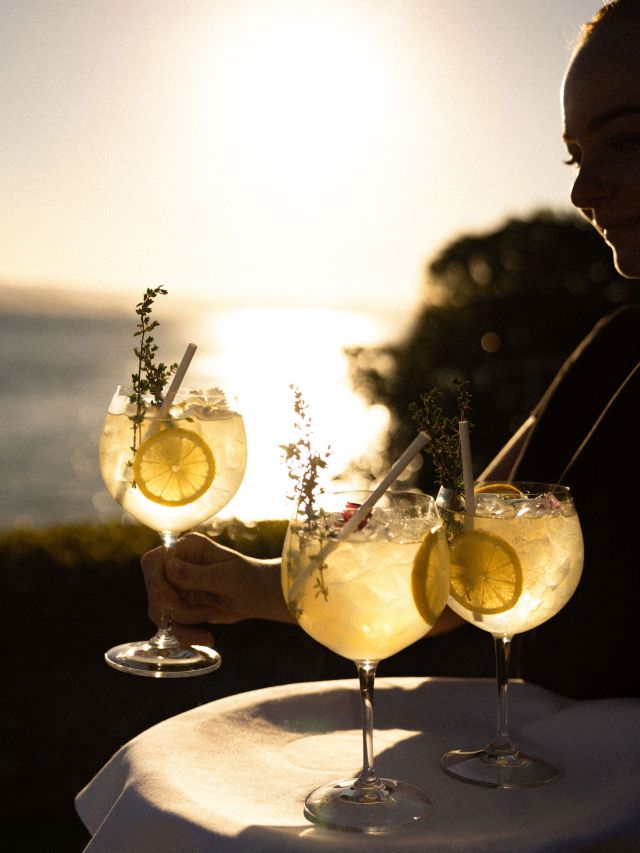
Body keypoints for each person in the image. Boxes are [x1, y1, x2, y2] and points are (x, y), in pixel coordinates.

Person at [142, 0, 640, 699]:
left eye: (627, 141)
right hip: (565, 774)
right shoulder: (613, 353)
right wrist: (251, 582)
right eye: (576, 155)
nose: (583, 189)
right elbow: (453, 564)